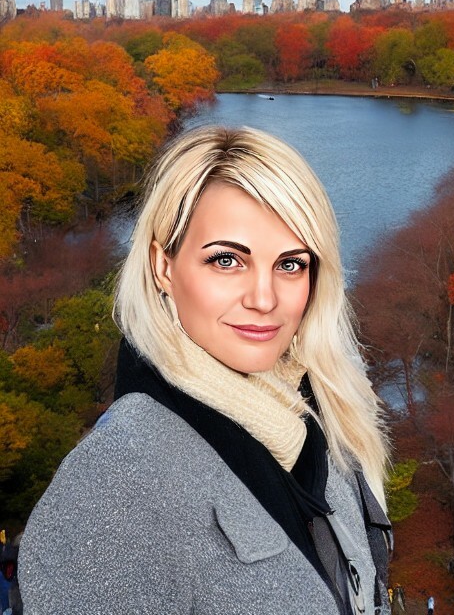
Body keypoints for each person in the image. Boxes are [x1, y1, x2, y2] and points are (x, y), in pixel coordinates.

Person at [19, 126, 391, 614]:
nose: (264, 299)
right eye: (227, 260)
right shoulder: (115, 489)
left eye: (290, 265)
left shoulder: (316, 414)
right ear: (163, 266)